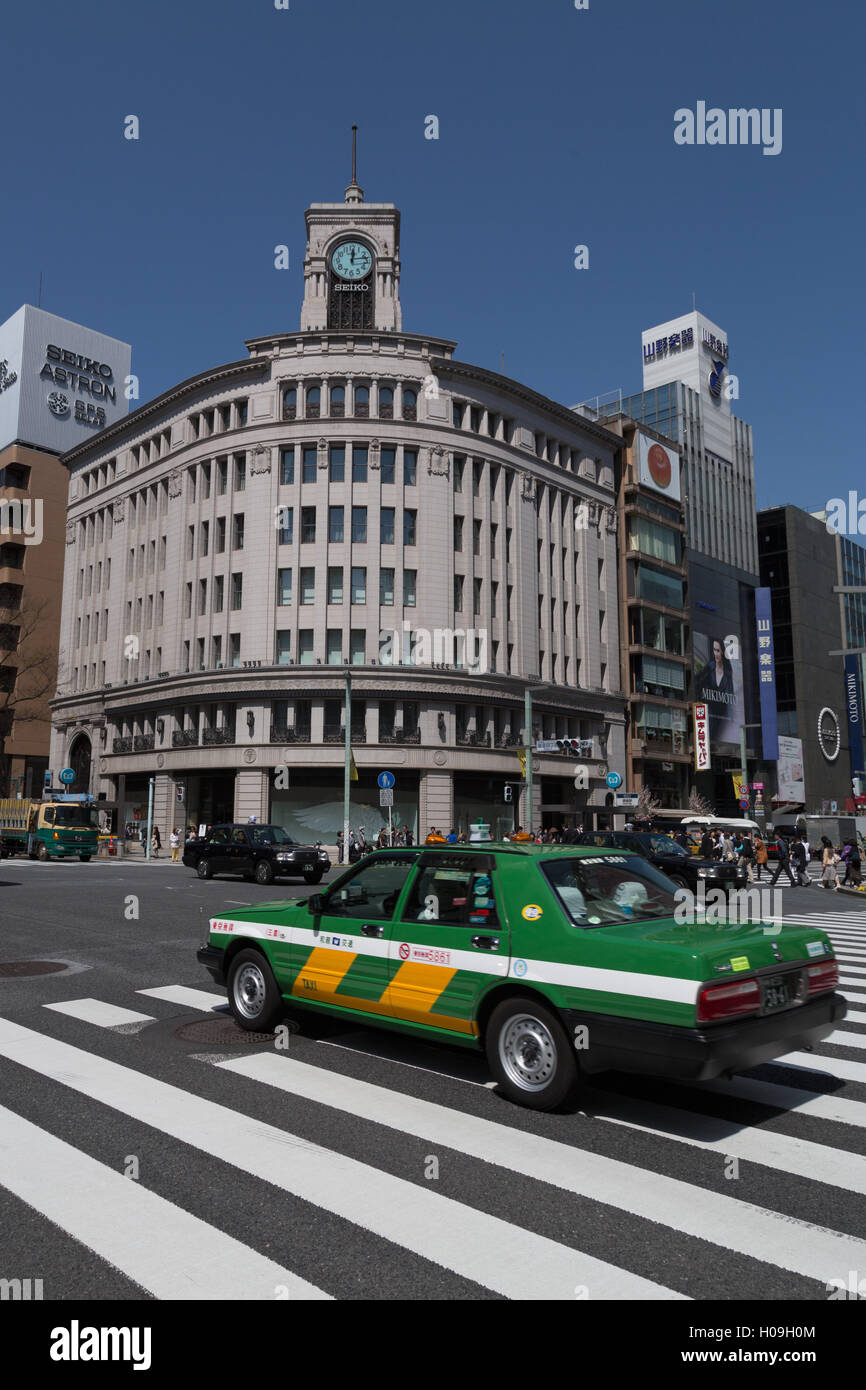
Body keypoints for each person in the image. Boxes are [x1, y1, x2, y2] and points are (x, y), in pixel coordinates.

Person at [694, 637, 737, 741]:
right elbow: (697, 680)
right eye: (714, 650)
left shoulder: (727, 672)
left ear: (722, 651)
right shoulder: (710, 666)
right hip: (709, 711)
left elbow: (730, 694)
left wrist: (731, 717)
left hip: (721, 715)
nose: (716, 653)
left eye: (718, 650)